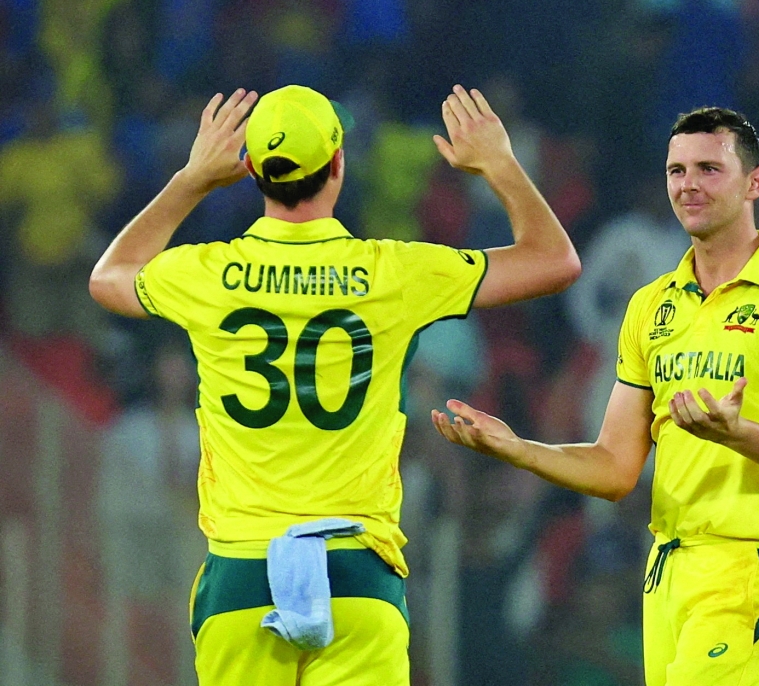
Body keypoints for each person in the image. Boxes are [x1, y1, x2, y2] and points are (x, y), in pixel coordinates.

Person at [89, 83, 581, 686]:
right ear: (340, 163)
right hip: (356, 573)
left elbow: (110, 276)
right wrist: (499, 163)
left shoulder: (206, 272)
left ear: (250, 170)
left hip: (244, 572)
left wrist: (192, 178)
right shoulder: (395, 271)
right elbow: (554, 260)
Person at [433, 107, 759, 686]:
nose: (689, 184)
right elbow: (614, 467)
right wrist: (518, 448)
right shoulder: (652, 306)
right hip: (666, 569)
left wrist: (739, 434)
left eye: (710, 168)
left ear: (754, 183)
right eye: (676, 170)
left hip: (752, 564)